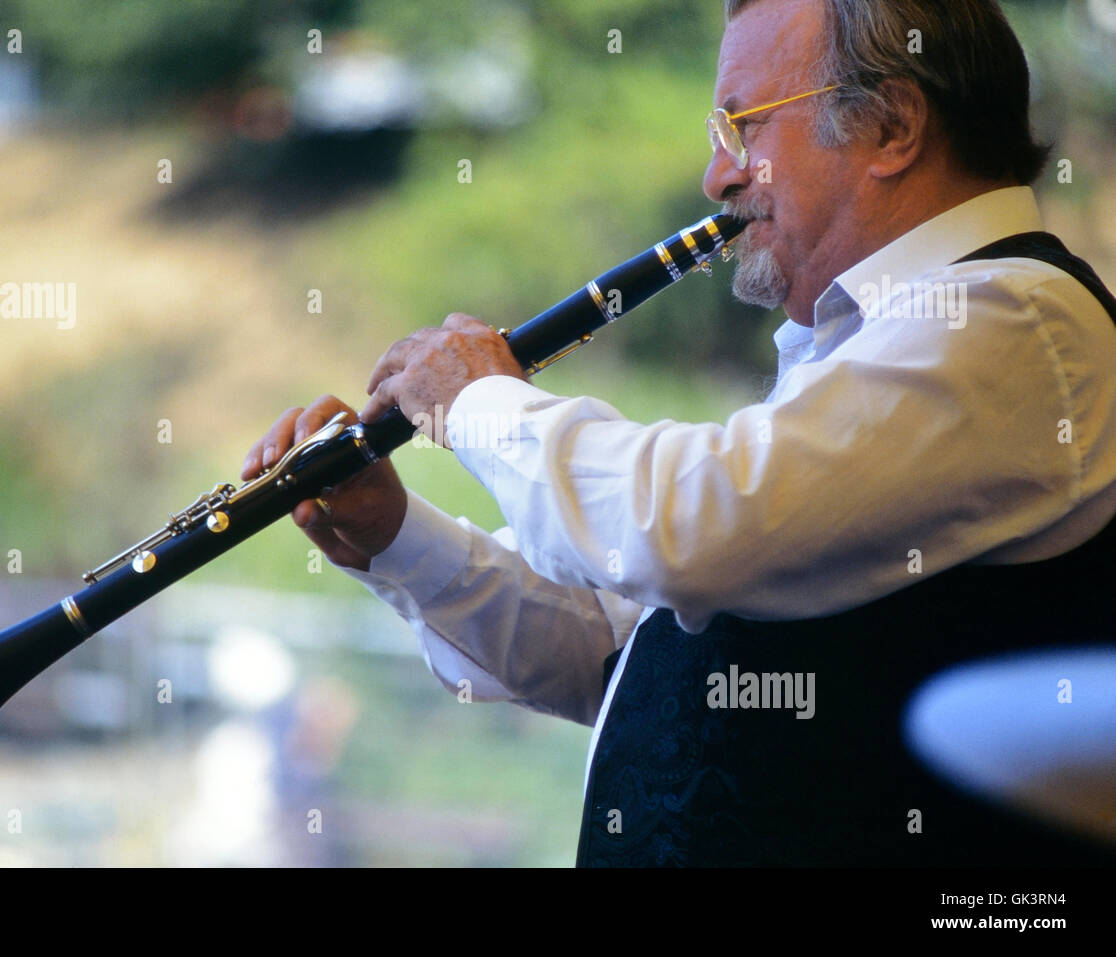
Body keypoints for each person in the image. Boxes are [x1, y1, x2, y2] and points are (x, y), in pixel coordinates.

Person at [242, 0, 1116, 865]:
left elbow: (684, 531)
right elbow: (618, 647)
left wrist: (477, 400)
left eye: (744, 128)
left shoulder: (1012, 319)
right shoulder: (871, 344)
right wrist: (392, 536)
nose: (717, 176)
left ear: (892, 126)